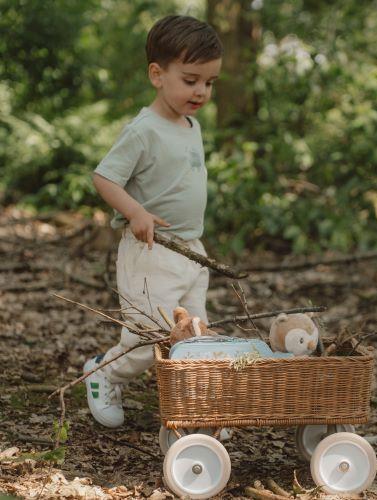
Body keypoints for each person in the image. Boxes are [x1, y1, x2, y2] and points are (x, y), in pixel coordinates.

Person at [84, 15, 223, 427]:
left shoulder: (191, 125)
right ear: (157, 75)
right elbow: (104, 176)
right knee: (149, 336)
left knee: (193, 334)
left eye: (209, 83)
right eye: (191, 79)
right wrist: (136, 212)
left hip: (191, 251)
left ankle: (193, 406)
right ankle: (104, 372)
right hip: (151, 251)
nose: (201, 91)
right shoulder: (143, 130)